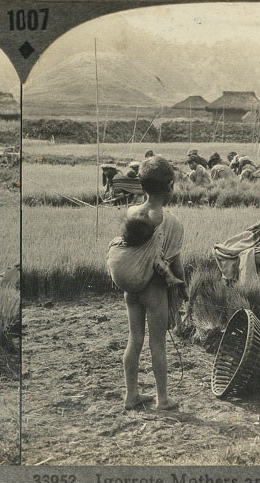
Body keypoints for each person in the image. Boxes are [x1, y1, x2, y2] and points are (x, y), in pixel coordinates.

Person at [110, 155, 185, 412]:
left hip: (132, 289)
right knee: (158, 344)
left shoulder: (132, 212)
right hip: (154, 288)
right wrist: (181, 286)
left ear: (141, 186)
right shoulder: (171, 221)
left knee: (135, 340)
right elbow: (174, 260)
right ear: (171, 186)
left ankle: (131, 394)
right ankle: (162, 399)